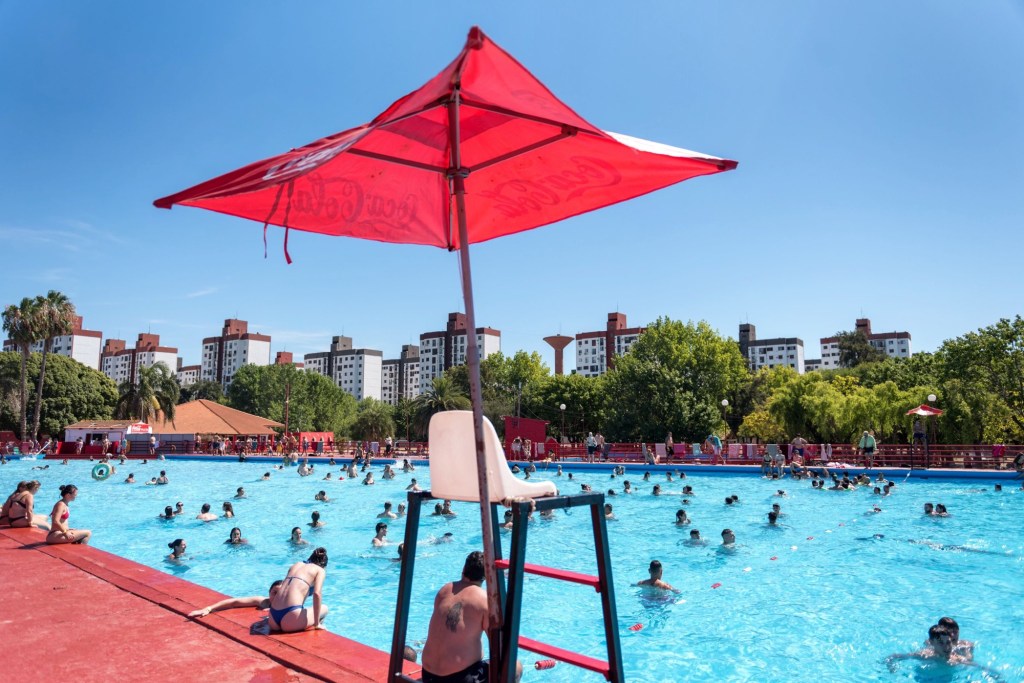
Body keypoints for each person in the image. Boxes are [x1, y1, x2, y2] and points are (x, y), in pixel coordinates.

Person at [421, 551, 489, 682]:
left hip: (428, 675)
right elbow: (498, 647)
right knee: (516, 667)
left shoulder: (445, 590)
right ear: (485, 576)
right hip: (459, 678)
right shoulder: (484, 599)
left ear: (464, 569)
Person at [267, 547, 329, 632]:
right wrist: (316, 623)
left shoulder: (296, 565)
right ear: (324, 565)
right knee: (324, 608)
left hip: (272, 617)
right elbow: (317, 594)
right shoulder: (320, 570)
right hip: (291, 620)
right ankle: (318, 626)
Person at [189, 579, 284, 619]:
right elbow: (234, 602)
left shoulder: (290, 605)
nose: (277, 596)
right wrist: (208, 608)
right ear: (269, 592)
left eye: (281, 593)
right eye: (274, 593)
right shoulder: (264, 602)